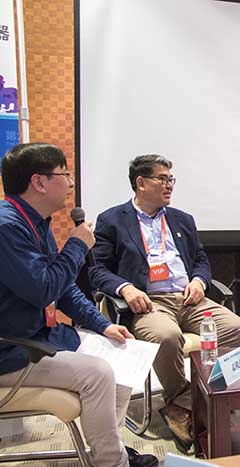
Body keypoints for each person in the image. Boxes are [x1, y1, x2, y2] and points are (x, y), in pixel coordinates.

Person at [0, 143, 157, 467]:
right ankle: (112, 462)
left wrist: (103, 325)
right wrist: (76, 245)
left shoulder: (36, 221)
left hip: (40, 336)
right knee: (98, 374)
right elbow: (44, 290)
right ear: (39, 182)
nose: (72, 183)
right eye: (65, 174)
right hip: (12, 349)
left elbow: (63, 288)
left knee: (123, 354)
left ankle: (108, 451)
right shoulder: (7, 228)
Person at [89, 154, 240, 452]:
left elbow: (200, 260)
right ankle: (187, 399)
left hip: (189, 298)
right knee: (167, 336)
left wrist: (199, 281)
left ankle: (190, 400)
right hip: (149, 302)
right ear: (141, 183)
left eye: (171, 179)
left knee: (237, 329)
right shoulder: (112, 220)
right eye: (162, 179)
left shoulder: (181, 219)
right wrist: (125, 288)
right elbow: (98, 270)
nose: (169, 185)